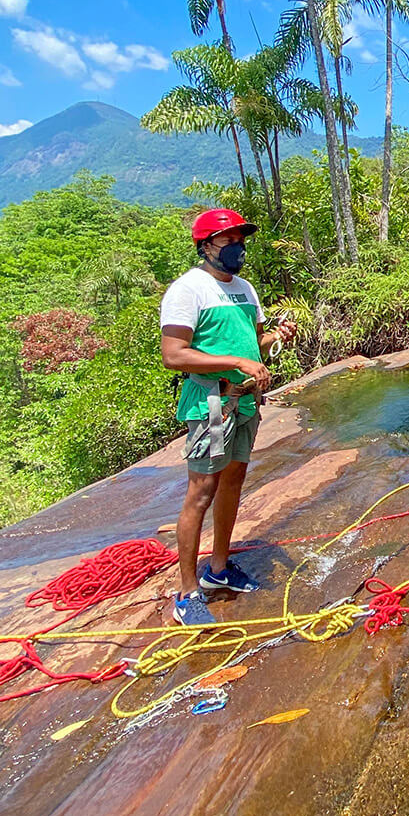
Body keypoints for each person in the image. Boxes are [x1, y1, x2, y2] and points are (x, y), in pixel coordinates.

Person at [160, 208, 297, 626]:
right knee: (202, 490)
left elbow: (252, 339)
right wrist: (237, 360)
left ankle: (219, 569)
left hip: (246, 401)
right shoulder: (189, 290)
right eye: (228, 241)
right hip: (213, 403)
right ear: (205, 247)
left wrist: (275, 337)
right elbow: (174, 354)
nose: (237, 248)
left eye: (241, 240)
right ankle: (188, 592)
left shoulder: (245, 289)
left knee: (233, 482)